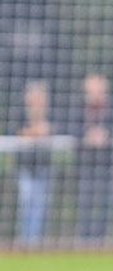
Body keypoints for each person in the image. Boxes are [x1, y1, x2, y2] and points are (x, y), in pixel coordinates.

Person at [75, 73, 113, 242]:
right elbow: (72, 129)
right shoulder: (78, 107)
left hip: (107, 162)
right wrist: (87, 137)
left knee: (105, 201)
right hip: (85, 163)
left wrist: (105, 135)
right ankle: (84, 238)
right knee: (85, 200)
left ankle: (101, 239)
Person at [15, 79, 54, 247]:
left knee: (40, 206)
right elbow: (17, 133)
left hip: (44, 167)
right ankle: (25, 240)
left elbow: (52, 131)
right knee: (26, 205)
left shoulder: (51, 114)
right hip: (26, 168)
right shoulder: (19, 114)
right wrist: (33, 132)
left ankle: (35, 242)